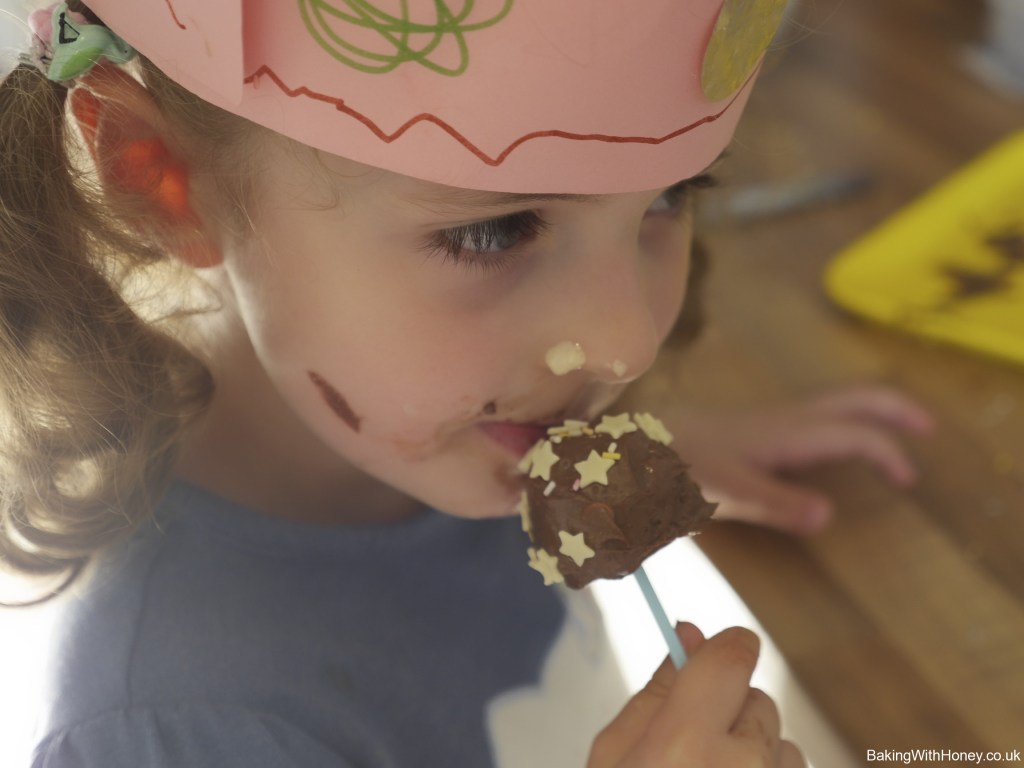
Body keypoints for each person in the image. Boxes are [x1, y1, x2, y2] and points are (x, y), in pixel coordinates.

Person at [0, 1, 930, 765]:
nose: (627, 346)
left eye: (670, 197)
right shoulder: (175, 729)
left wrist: (670, 443)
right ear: (162, 179)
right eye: (497, 231)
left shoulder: (447, 438)